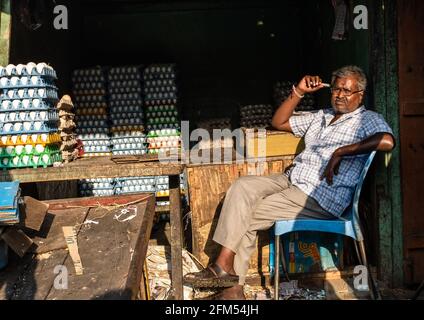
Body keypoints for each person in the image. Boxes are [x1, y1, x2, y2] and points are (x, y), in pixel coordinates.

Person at [184, 65, 395, 300]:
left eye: (347, 91)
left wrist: (342, 151)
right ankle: (226, 272)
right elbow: (279, 122)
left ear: (360, 95)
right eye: (336, 89)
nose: (340, 95)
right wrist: (299, 92)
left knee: (249, 215)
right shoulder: (321, 116)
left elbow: (386, 141)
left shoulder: (367, 119)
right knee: (241, 186)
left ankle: (230, 284)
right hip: (291, 179)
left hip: (319, 194)